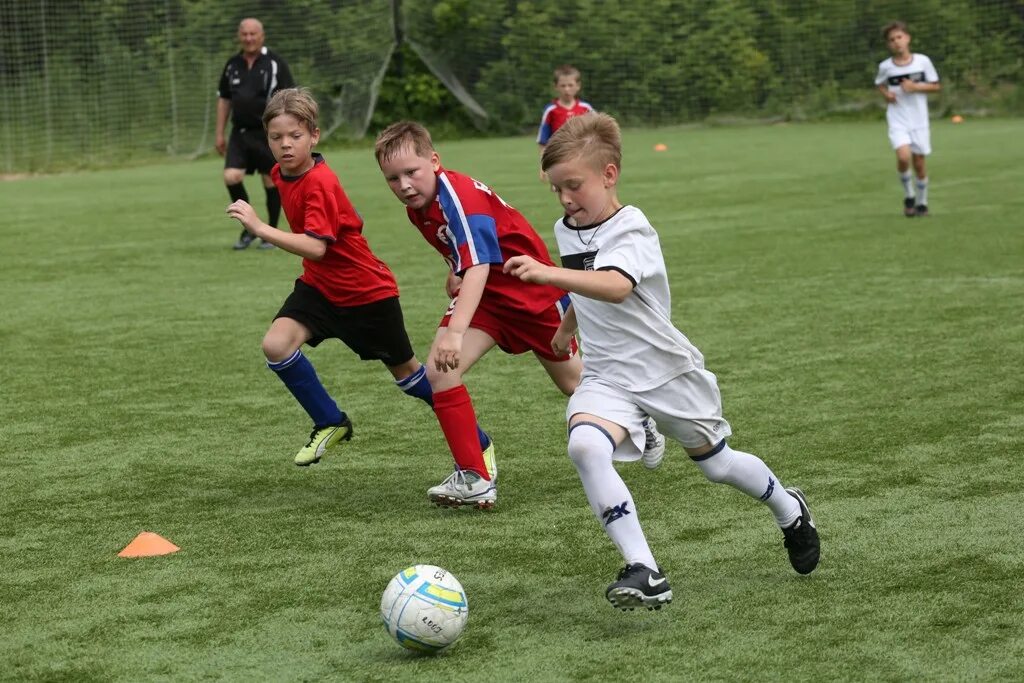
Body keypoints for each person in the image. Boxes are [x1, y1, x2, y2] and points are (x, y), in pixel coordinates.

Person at [504, 113, 821, 611]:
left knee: (718, 466)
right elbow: (586, 293)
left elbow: (614, 286)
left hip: (664, 371)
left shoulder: (634, 229)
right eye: (557, 190)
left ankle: (790, 508)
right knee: (586, 447)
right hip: (608, 374)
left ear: (608, 175)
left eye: (574, 186)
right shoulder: (566, 229)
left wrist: (546, 276)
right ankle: (645, 569)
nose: (565, 199)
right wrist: (567, 327)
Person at [375, 121, 666, 510]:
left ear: (434, 161)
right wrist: (455, 270)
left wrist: (454, 331)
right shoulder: (423, 205)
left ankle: (636, 417)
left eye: (412, 172)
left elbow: (479, 264)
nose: (405, 185)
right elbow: (472, 252)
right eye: (393, 178)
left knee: (575, 384)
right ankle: (475, 477)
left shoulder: (456, 197)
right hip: (489, 301)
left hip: (532, 295)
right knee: (440, 372)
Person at [226, 88, 490, 468]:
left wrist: (258, 227)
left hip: (367, 293)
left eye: (295, 136)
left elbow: (317, 246)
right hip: (319, 287)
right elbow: (316, 258)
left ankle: (478, 442)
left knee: (412, 379)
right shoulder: (279, 173)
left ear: (314, 136)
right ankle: (330, 421)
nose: (285, 145)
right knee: (276, 345)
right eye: (276, 137)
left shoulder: (320, 182)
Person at [217, 17, 295, 249]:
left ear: (262, 36)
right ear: (239, 36)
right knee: (231, 176)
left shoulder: (275, 63)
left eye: (253, 34)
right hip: (239, 133)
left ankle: (269, 233)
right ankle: (248, 229)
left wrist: (288, 131)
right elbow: (224, 99)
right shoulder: (232, 65)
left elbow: (290, 97)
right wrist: (219, 133)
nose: (249, 38)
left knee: (271, 180)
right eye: (245, 34)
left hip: (267, 133)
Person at [874, 21, 941, 217]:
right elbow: (879, 84)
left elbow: (936, 86)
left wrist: (916, 87)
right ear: (889, 44)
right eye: (892, 40)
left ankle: (922, 203)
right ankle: (909, 196)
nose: (897, 42)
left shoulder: (922, 61)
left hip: (919, 120)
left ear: (908, 38)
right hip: (898, 118)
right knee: (903, 157)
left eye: (899, 37)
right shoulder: (886, 66)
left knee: (919, 163)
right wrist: (886, 94)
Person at [536, 65, 594, 181]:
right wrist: (544, 165)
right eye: (563, 86)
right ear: (556, 87)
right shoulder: (551, 110)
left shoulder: (586, 109)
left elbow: (597, 135)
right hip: (559, 161)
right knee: (565, 195)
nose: (567, 89)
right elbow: (543, 142)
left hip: (582, 160)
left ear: (578, 86)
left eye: (570, 85)